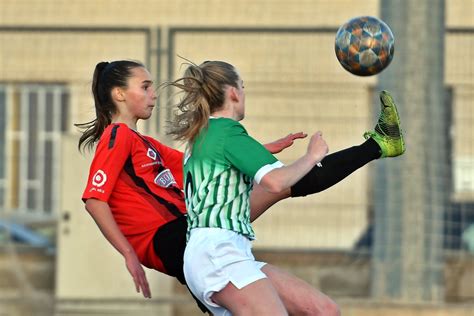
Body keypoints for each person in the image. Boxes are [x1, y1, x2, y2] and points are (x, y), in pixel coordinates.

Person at [77, 59, 404, 315]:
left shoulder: (146, 143)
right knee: (283, 184)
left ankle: (379, 145)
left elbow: (210, 162)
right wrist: (128, 253)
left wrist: (262, 151)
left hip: (196, 235)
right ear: (119, 94)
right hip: (174, 238)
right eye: (145, 86)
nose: (154, 93)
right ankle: (378, 145)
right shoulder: (117, 136)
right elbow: (95, 200)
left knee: (322, 309)